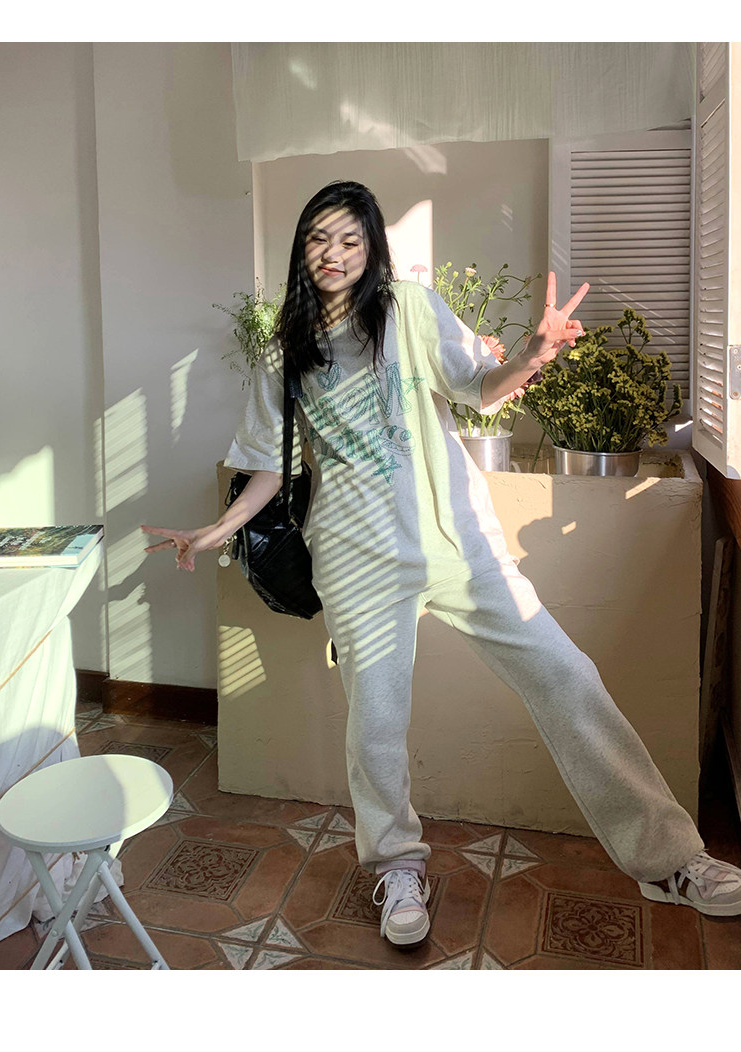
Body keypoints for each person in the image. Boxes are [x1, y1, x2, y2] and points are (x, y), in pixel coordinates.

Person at [143, 180, 741, 947]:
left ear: (371, 248)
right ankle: (396, 865)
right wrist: (214, 530)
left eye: (350, 239)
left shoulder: (412, 311)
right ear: (302, 248)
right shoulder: (288, 353)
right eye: (319, 238)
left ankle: (671, 860)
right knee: (376, 729)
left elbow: (478, 390)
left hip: (460, 547)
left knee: (567, 676)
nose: (334, 253)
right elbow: (270, 467)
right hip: (357, 564)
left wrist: (533, 355)